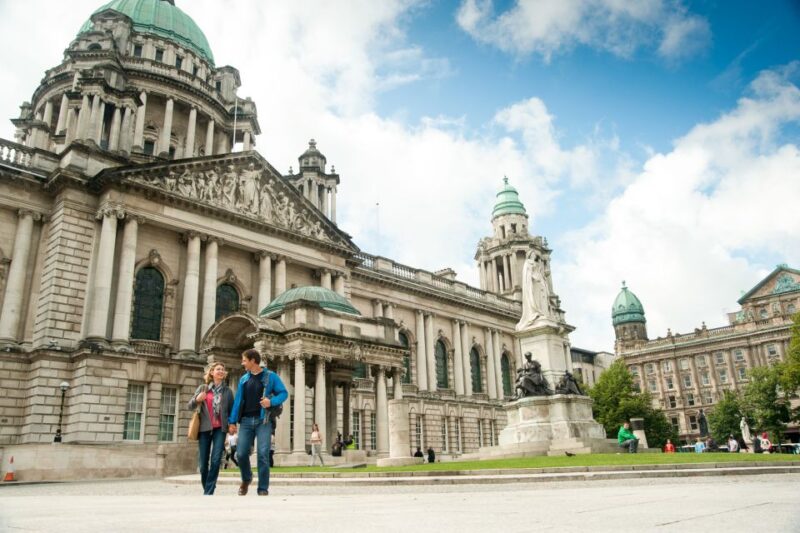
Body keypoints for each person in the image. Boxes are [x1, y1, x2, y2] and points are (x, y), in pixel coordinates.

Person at [229, 348, 288, 496]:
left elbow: (284, 393)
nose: (242, 363)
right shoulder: (244, 379)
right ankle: (247, 478)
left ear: (252, 361)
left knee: (262, 454)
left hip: (264, 421)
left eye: (244, 360)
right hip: (246, 421)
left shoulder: (271, 376)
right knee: (241, 454)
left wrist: (271, 401)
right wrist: (232, 421)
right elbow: (238, 401)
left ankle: (263, 488)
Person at [188, 362, 233, 495]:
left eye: (223, 370)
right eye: (218, 369)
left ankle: (208, 492)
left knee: (215, 460)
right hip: (204, 429)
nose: (220, 371)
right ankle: (207, 488)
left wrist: (232, 424)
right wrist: (197, 399)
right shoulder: (203, 388)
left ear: (224, 374)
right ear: (212, 372)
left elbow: (231, 411)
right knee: (203, 465)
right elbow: (189, 406)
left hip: (220, 429)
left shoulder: (228, 391)